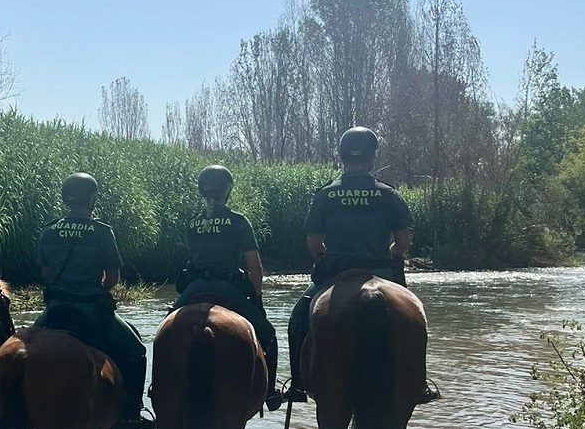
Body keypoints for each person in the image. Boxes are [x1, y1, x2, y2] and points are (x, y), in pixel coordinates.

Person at [285, 126, 434, 404]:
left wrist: (328, 255)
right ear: (372, 157)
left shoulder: (326, 195)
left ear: (342, 156)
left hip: (335, 273)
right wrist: (390, 253)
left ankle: (298, 383)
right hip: (382, 270)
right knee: (416, 316)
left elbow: (314, 243)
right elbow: (403, 242)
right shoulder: (388, 194)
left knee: (298, 319)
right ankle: (420, 384)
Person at [34, 172, 156, 429]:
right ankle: (132, 414)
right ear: (91, 199)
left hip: (55, 310)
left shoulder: (49, 231)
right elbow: (112, 278)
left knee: (19, 346)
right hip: (91, 311)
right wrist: (93, 291)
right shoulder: (102, 232)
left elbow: (45, 274)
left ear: (66, 198)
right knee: (137, 352)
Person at [172, 164, 283, 410]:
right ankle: (270, 393)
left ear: (203, 191)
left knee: (165, 330)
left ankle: (161, 388)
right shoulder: (238, 222)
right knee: (269, 334)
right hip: (228, 287)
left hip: (195, 287)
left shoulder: (193, 223)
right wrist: (256, 297)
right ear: (227, 190)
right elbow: (254, 267)